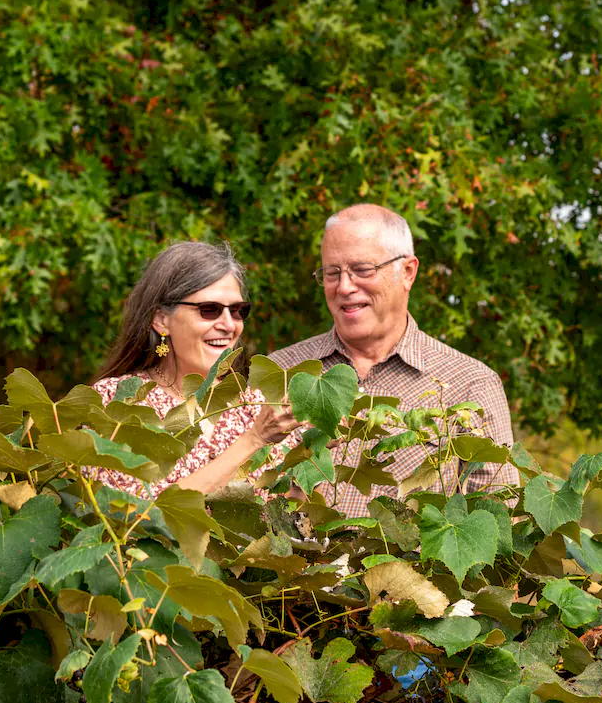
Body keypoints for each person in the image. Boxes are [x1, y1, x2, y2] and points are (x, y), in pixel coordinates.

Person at [270, 204, 518, 515]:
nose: (344, 287)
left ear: (408, 273)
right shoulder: (282, 371)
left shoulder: (469, 384)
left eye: (362, 269)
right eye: (332, 273)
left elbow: (499, 518)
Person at [92, 241, 297, 498]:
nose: (228, 325)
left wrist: (314, 456)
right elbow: (137, 515)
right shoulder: (116, 402)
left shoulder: (256, 407)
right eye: (209, 310)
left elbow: (290, 513)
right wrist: (253, 440)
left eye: (237, 311)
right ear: (161, 319)